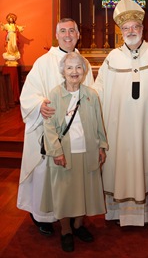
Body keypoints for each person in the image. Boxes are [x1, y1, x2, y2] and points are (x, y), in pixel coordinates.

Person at [93, 0, 148, 227]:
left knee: (145, 161)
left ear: (142, 29)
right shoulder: (113, 57)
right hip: (118, 127)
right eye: (126, 28)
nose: (131, 31)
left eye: (135, 27)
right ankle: (118, 213)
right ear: (121, 31)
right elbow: (99, 88)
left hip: (147, 125)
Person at [17, 18, 94, 236]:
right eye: (63, 31)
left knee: (74, 177)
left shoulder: (83, 63)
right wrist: (39, 104)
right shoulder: (43, 62)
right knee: (46, 175)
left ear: (78, 35)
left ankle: (74, 221)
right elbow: (28, 94)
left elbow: (91, 95)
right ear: (57, 35)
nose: (68, 35)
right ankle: (43, 216)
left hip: (76, 134)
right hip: (48, 131)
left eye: (72, 31)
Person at [40, 52, 108, 252]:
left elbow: (98, 123)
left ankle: (78, 226)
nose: (74, 71)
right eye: (69, 67)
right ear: (63, 71)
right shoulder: (54, 95)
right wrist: (57, 152)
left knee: (85, 191)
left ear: (84, 71)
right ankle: (66, 231)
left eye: (78, 67)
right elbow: (49, 127)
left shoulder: (91, 94)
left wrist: (102, 146)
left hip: (88, 151)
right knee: (64, 193)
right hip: (64, 154)